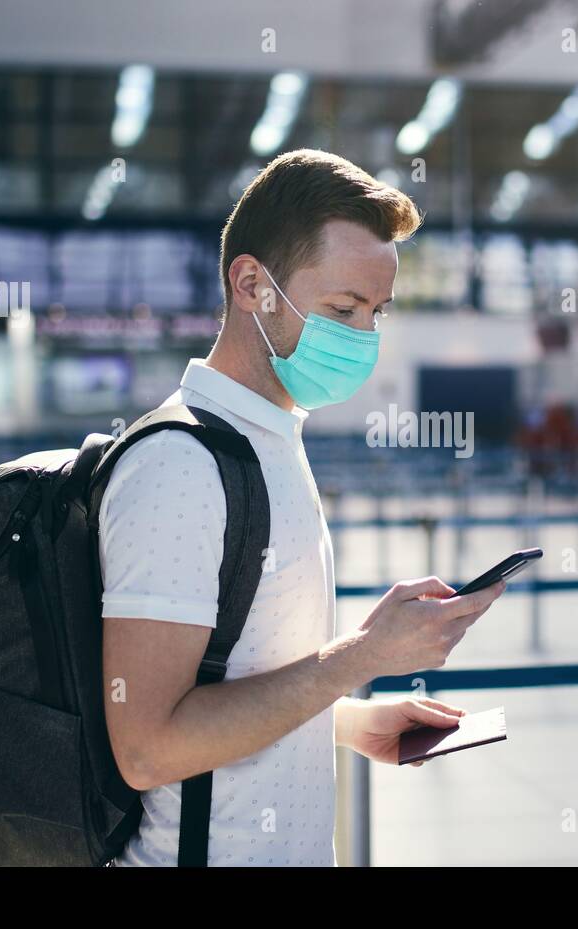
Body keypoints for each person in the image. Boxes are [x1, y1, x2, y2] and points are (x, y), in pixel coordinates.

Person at [100, 149, 505, 866]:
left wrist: (351, 721)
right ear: (252, 284)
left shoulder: (273, 439)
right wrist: (363, 656)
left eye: (375, 312)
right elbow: (147, 747)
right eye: (342, 310)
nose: (361, 337)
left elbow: (234, 681)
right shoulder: (179, 464)